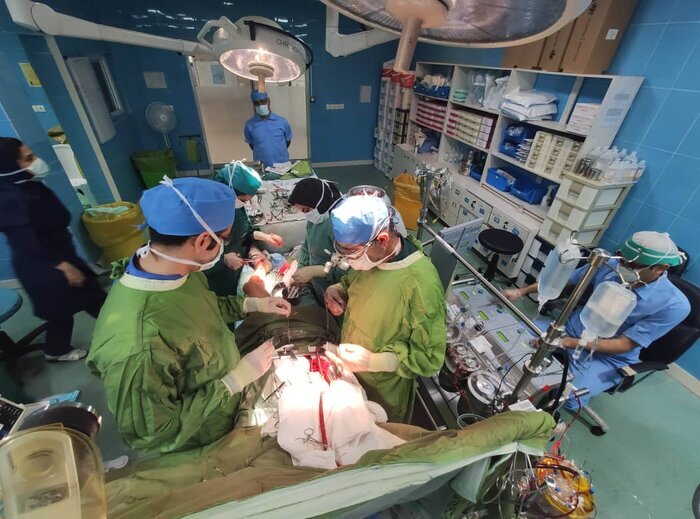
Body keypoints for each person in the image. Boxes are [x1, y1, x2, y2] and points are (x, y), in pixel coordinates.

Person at [87, 177, 291, 453]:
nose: (225, 246)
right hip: (199, 436)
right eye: (224, 239)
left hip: (225, 404)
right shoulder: (138, 345)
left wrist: (251, 305)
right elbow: (153, 433)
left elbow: (199, 309)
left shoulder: (177, 270)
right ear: (204, 240)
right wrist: (234, 381)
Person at [503, 231, 690, 410]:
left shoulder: (674, 305)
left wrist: (567, 343)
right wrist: (521, 291)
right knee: (510, 340)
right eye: (622, 259)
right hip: (569, 329)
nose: (623, 267)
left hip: (606, 357)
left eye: (633, 265)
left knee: (569, 397)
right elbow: (565, 279)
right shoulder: (609, 264)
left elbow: (624, 344)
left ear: (661, 268)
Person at [323, 195, 446, 422]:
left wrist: (374, 361)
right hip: (351, 374)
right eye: (343, 251)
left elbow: (429, 358)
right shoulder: (374, 258)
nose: (349, 260)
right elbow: (357, 283)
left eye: (353, 252)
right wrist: (338, 289)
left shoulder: (420, 285)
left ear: (382, 239)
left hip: (383, 390)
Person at [0, 137, 105, 362]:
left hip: (58, 254)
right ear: (10, 166)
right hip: (42, 265)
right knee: (63, 310)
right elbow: (27, 241)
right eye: (29, 158)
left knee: (90, 298)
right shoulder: (11, 199)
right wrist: (64, 266)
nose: (36, 161)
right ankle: (57, 351)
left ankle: (119, 330)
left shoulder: (26, 183)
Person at [206, 161, 284, 296]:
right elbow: (194, 264)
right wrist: (223, 260)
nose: (246, 203)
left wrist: (264, 237)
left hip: (237, 268)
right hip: (218, 278)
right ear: (230, 191)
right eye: (245, 200)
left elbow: (243, 231)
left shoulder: (236, 208)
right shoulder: (208, 216)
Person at [288, 177, 345, 294]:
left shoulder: (339, 227)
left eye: (306, 210)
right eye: (302, 211)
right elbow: (306, 246)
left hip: (336, 289)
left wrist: (317, 271)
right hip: (319, 285)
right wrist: (301, 269)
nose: (306, 215)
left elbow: (347, 272)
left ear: (321, 203)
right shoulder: (315, 218)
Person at [244, 90, 292, 169]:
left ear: (268, 101)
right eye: (256, 103)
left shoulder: (282, 122)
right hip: (261, 167)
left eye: (263, 101)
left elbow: (287, 141)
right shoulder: (250, 125)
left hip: (282, 166)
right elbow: (252, 145)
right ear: (253, 104)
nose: (260, 105)